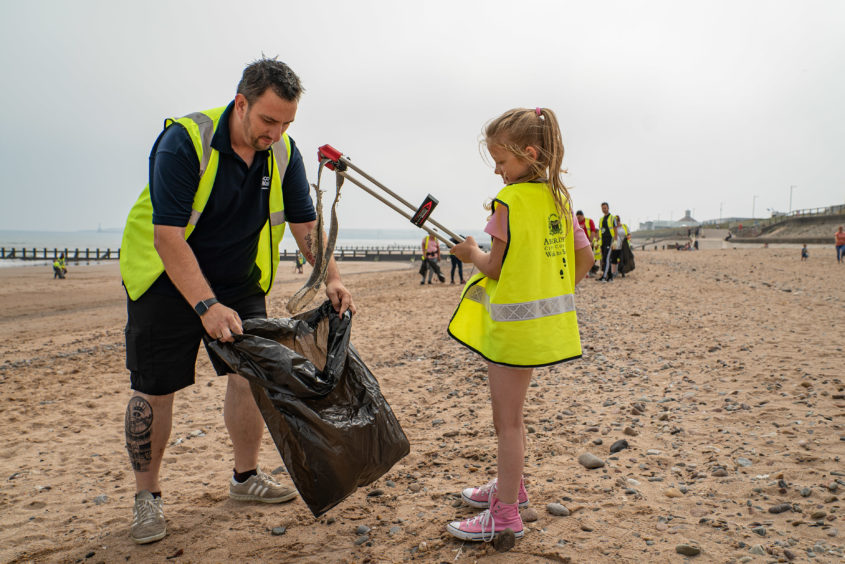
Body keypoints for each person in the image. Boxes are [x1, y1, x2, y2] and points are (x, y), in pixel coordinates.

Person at [118, 58, 355, 545]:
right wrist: (206, 307)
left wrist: (329, 276)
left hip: (239, 279)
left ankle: (245, 479)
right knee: (155, 389)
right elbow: (167, 236)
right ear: (241, 103)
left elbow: (305, 224)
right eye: (268, 120)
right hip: (165, 278)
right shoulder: (184, 142)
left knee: (250, 378)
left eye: (287, 122)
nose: (276, 132)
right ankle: (148, 499)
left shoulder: (283, 151)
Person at [447, 107, 593, 543]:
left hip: (512, 333)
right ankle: (514, 488)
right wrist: (552, 289)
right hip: (543, 328)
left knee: (506, 424)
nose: (498, 172)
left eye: (502, 162)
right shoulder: (559, 197)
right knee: (514, 419)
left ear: (529, 154)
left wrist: (469, 253)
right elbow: (585, 258)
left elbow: (493, 267)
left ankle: (505, 514)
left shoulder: (509, 202)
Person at [597, 202, 619, 281]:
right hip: (603, 241)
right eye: (602, 208)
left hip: (610, 240)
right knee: (604, 259)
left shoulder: (612, 218)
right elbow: (600, 231)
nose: (604, 209)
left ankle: (604, 276)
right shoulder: (601, 219)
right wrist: (598, 241)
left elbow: (615, 230)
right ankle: (610, 277)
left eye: (605, 208)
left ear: (608, 208)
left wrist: (615, 241)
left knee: (606, 258)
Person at [575, 210, 599, 277]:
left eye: (579, 218)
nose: (578, 219)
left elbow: (593, 231)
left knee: (590, 257)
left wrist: (590, 241)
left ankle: (591, 271)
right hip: (579, 244)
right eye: (577, 218)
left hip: (588, 243)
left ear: (582, 216)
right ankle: (585, 273)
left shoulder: (589, 221)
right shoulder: (576, 222)